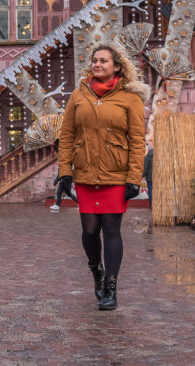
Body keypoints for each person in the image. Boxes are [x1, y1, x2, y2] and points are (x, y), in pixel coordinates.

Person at [57, 44, 148, 311]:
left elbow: (138, 141)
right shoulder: (78, 96)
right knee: (88, 230)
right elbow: (67, 136)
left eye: (104, 61)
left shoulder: (130, 98)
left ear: (117, 66)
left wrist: (134, 177)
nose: (97, 64)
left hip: (116, 175)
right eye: (95, 60)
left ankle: (110, 286)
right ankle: (96, 270)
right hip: (85, 173)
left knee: (111, 229)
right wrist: (65, 172)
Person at [49, 138, 77, 212]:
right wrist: (54, 145)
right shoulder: (63, 157)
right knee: (60, 192)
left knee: (69, 193)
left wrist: (56, 180)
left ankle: (80, 204)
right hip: (64, 176)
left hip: (66, 177)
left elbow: (62, 170)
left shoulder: (66, 158)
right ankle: (57, 206)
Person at [143, 135, 154, 233]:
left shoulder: (149, 155)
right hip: (158, 177)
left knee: (151, 191)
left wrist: (143, 175)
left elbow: (145, 166)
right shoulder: (157, 154)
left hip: (150, 177)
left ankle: (152, 205)